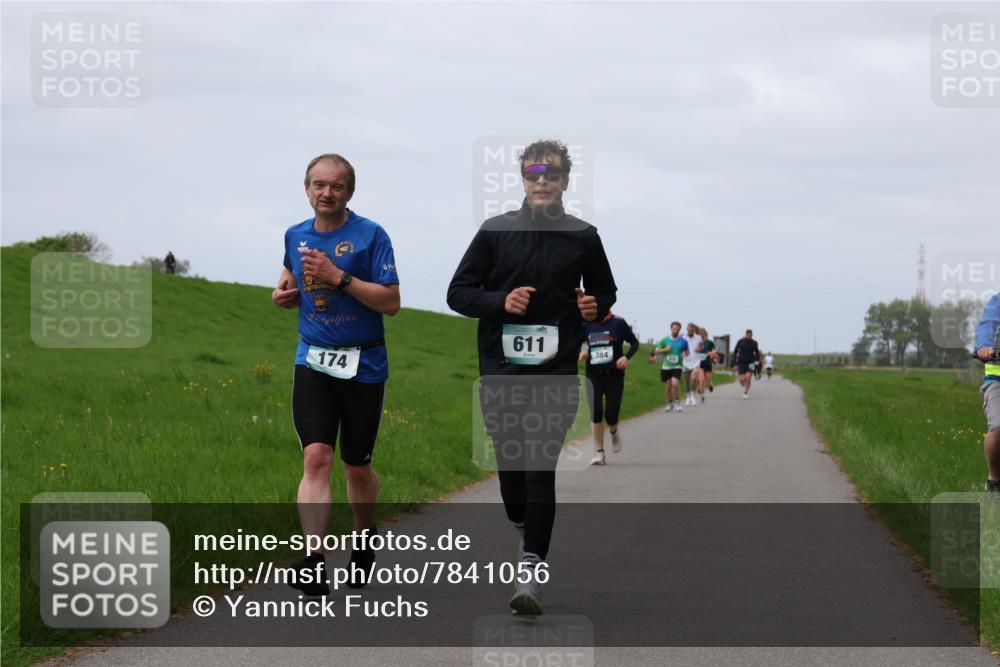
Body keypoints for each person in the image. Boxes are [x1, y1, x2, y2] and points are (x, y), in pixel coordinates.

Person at [447, 139, 617, 615]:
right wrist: (500, 302)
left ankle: (530, 569)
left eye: (554, 173)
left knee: (540, 470)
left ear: (566, 181)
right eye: (534, 172)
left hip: (557, 371)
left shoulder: (584, 236)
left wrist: (594, 305)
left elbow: (605, 290)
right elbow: (458, 293)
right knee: (512, 477)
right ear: (522, 178)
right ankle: (526, 532)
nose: (543, 180)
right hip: (500, 371)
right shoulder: (494, 232)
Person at [272, 153, 400, 595]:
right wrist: (282, 294)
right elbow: (290, 277)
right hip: (314, 360)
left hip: (364, 363)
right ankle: (313, 560)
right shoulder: (295, 234)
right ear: (307, 188)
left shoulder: (371, 235)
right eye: (318, 185)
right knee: (316, 456)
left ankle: (364, 539)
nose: (327, 193)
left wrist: (337, 277)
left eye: (337, 186)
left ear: (350, 191)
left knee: (356, 466)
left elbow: (390, 302)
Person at [578, 312, 640, 465]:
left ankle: (613, 431)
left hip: (614, 375)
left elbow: (634, 343)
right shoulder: (585, 324)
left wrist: (626, 357)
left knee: (611, 415)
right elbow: (575, 343)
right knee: (596, 411)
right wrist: (581, 352)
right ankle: (599, 453)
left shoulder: (618, 323)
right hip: (593, 374)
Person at [975, 293, 1000, 494]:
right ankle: (994, 480)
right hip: (997, 378)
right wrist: (984, 346)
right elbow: (988, 325)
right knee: (999, 426)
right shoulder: (998, 301)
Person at [651, 321, 689, 412]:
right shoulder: (665, 340)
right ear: (671, 329)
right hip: (666, 366)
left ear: (680, 330)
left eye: (677, 329)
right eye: (674, 329)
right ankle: (670, 404)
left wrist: (685, 353)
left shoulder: (683, 341)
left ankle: (678, 403)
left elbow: (687, 351)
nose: (675, 331)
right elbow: (657, 350)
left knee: (675, 384)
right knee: (668, 386)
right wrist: (666, 349)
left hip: (677, 366)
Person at [733, 329, 761, 399]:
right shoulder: (740, 342)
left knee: (748, 378)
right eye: (748, 335)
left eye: (750, 335)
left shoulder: (754, 343)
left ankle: (745, 392)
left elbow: (757, 352)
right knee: (742, 380)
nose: (749, 336)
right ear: (746, 334)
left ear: (752, 335)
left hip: (751, 362)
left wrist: (757, 360)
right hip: (741, 362)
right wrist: (735, 362)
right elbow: (735, 351)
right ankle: (743, 383)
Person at [682, 323, 704, 407]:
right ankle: (687, 397)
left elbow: (702, 345)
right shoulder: (683, 337)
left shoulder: (698, 337)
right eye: (689, 330)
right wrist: (682, 352)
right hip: (686, 361)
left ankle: (692, 395)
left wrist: (699, 348)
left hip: (695, 360)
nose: (690, 331)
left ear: (694, 330)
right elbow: (680, 347)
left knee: (694, 378)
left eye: (692, 330)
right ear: (687, 329)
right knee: (687, 380)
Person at [698, 327, 717, 399]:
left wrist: (710, 353)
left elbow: (715, 351)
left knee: (707, 381)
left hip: (708, 363)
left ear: (706, 334)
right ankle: (702, 395)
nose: (701, 335)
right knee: (701, 380)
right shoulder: (698, 342)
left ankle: (710, 385)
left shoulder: (710, 342)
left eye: (702, 334)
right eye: (700, 334)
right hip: (700, 363)